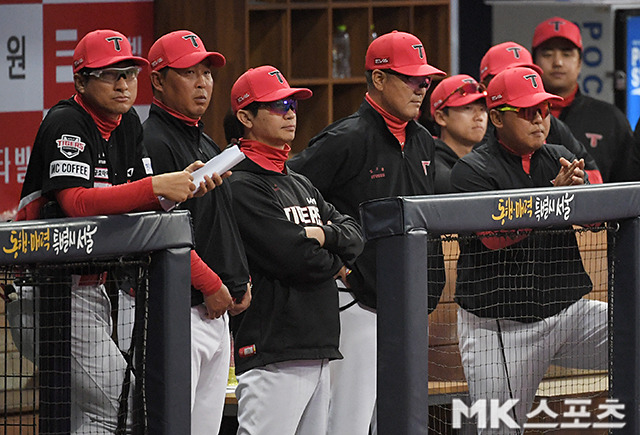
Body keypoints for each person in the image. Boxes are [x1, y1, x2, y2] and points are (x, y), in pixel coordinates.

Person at [16, 29, 220, 434]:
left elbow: (143, 207)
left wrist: (179, 187)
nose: (124, 84)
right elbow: (76, 204)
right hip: (52, 292)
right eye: (110, 75)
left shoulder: (128, 125)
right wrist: (157, 186)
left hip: (106, 289)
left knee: (107, 411)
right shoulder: (65, 121)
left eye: (128, 73)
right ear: (80, 81)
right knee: (120, 407)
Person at [288, 30, 447, 435]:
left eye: (424, 81)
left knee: (398, 421)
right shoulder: (345, 139)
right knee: (349, 421)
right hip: (358, 304)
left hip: (411, 305)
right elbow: (285, 195)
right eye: (410, 79)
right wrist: (331, 260)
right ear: (378, 79)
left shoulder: (424, 141)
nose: (420, 88)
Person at [450, 66, 608, 433]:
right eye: (526, 111)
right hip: (500, 329)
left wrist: (585, 203)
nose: (539, 118)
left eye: (543, 109)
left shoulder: (558, 156)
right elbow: (493, 237)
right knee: (499, 430)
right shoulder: (472, 170)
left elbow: (596, 224)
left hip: (567, 315)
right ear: (496, 118)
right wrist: (553, 196)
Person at [226, 65, 364, 435]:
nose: (290, 112)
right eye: (276, 105)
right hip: (273, 349)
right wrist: (332, 254)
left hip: (317, 347)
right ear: (245, 116)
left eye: (292, 103)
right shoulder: (241, 186)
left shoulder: (300, 182)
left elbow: (355, 234)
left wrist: (321, 234)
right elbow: (297, 258)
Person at [142, 30, 252, 435]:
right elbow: (156, 229)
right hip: (178, 310)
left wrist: (239, 279)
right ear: (157, 79)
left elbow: (216, 223)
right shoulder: (152, 139)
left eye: (207, 73)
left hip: (214, 310)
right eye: (189, 72)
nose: (203, 82)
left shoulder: (203, 139)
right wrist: (211, 283)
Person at [480, 41, 603, 183]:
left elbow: (593, 178)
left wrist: (574, 184)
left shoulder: (550, 124)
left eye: (526, 74)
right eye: (505, 75)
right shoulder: (474, 128)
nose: (518, 81)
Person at [532, 16, 635, 182]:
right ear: (534, 61)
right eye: (547, 53)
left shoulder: (610, 118)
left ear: (580, 62)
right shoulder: (518, 117)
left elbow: (628, 188)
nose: (557, 62)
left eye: (566, 54)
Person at [429, 74, 488, 193]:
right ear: (441, 117)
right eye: (467, 108)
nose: (479, 117)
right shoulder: (429, 165)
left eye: (482, 109)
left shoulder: (486, 160)